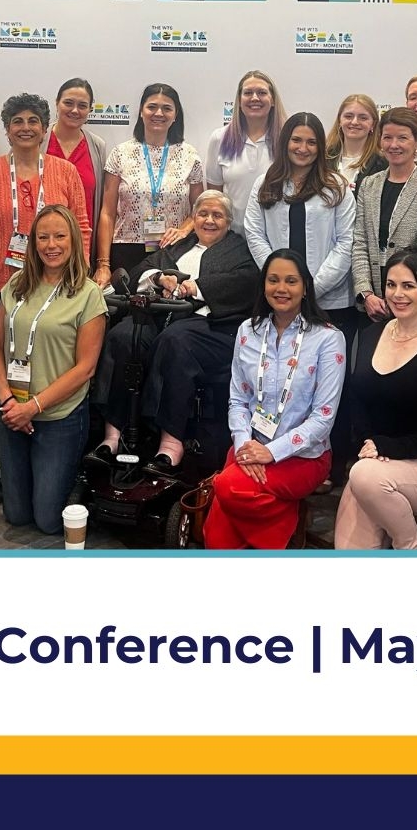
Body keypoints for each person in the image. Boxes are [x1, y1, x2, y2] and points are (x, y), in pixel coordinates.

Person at [88, 190, 258, 472]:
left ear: (228, 221)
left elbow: (246, 282)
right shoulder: (181, 245)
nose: (209, 220)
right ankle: (113, 435)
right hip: (159, 317)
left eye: (217, 215)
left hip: (210, 325)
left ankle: (170, 441)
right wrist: (157, 279)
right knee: (123, 337)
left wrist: (196, 287)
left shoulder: (240, 249)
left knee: (176, 342)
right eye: (203, 214)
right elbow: (142, 269)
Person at [203, 249, 346, 549]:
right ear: (263, 285)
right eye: (274, 280)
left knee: (226, 487)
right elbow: (238, 400)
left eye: (291, 281)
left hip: (305, 456)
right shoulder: (248, 331)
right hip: (251, 446)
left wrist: (272, 453)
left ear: (305, 287)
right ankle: (284, 514)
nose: (281, 289)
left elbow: (323, 418)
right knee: (215, 540)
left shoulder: (328, 338)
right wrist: (243, 444)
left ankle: (283, 517)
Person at [245, 111, 356, 486]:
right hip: (277, 301)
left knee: (323, 387)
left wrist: (308, 289)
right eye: (296, 140)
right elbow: (254, 233)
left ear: (320, 147)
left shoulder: (337, 187)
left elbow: (345, 243)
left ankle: (326, 465)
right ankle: (274, 453)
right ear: (285, 143)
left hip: (328, 300)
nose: (303, 148)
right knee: (280, 381)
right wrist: (279, 283)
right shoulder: (266, 183)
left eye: (311, 142)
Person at [333, 246, 417, 550]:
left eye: (409, 285)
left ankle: (408, 545)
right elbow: (358, 399)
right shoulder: (370, 335)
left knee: (364, 476)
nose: (397, 294)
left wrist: (390, 448)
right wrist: (371, 445)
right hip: (373, 462)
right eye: (391, 285)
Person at [0, 205, 107, 536]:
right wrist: (9, 401)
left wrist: (33, 407)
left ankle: (79, 485)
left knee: (49, 521)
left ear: (74, 241)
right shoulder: (15, 284)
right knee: (17, 515)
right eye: (42, 237)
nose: (51, 245)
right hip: (13, 411)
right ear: (33, 242)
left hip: (58, 417)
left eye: (59, 236)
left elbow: (86, 368)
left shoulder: (88, 294)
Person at [0, 93, 91, 385]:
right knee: (4, 356)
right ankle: (10, 413)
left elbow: (81, 228)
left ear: (45, 129)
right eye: (17, 121)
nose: (26, 127)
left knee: (45, 357)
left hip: (54, 284)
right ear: (7, 130)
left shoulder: (66, 172)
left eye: (34, 121)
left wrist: (80, 274)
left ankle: (41, 414)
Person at [93, 83, 205, 290]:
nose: (159, 113)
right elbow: (107, 213)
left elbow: (198, 210)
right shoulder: (121, 154)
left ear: (175, 115)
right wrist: (103, 265)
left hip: (172, 250)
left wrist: (183, 230)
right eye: (152, 106)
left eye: (167, 108)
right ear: (141, 112)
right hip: (126, 249)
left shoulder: (190, 156)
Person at [352, 106, 417, 325]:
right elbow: (359, 242)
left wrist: (398, 295)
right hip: (375, 306)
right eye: (387, 137)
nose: (394, 145)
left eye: (403, 138)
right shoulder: (369, 184)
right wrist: (366, 293)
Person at [204, 70, 287, 234]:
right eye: (248, 93)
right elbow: (214, 196)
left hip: (277, 237)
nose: (255, 98)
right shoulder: (219, 138)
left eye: (262, 93)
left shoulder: (287, 139)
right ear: (239, 101)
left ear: (272, 101)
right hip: (232, 237)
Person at [45, 77, 108, 270]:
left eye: (82, 105)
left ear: (90, 110)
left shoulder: (97, 147)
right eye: (68, 103)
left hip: (82, 251)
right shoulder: (38, 141)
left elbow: (101, 204)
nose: (74, 110)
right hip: (43, 247)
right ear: (56, 103)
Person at [325, 93, 386, 196]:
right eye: (348, 116)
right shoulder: (324, 158)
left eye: (363, 118)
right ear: (340, 120)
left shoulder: (382, 164)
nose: (354, 122)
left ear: (373, 124)